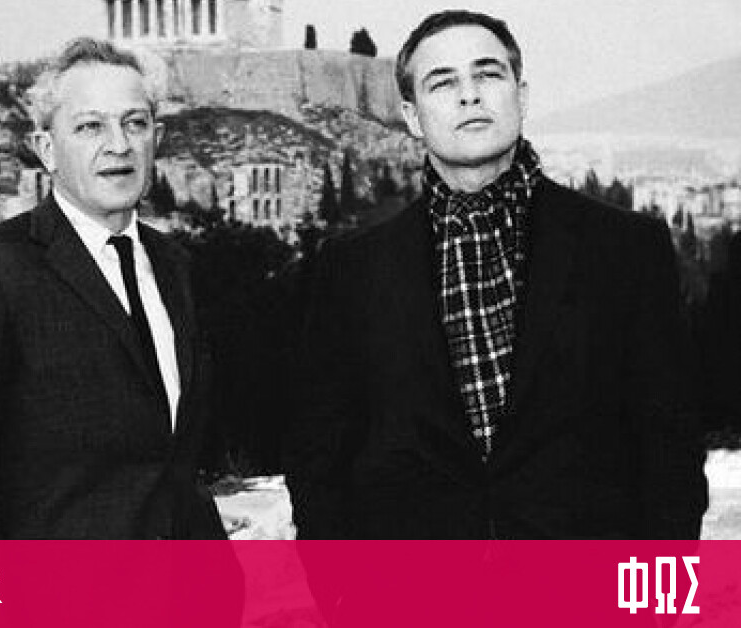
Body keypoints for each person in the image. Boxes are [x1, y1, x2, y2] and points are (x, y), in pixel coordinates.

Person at [286, 10, 707, 542]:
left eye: (487, 74)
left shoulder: (626, 248)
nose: (470, 95)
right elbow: (319, 455)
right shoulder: (352, 269)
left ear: (520, 96)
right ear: (412, 116)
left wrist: (655, 590)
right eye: (443, 82)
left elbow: (671, 449)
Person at [0, 37, 229, 541]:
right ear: (47, 150)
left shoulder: (177, 267)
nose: (119, 145)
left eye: (134, 123)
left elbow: (176, 461)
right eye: (90, 126)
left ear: (157, 138)